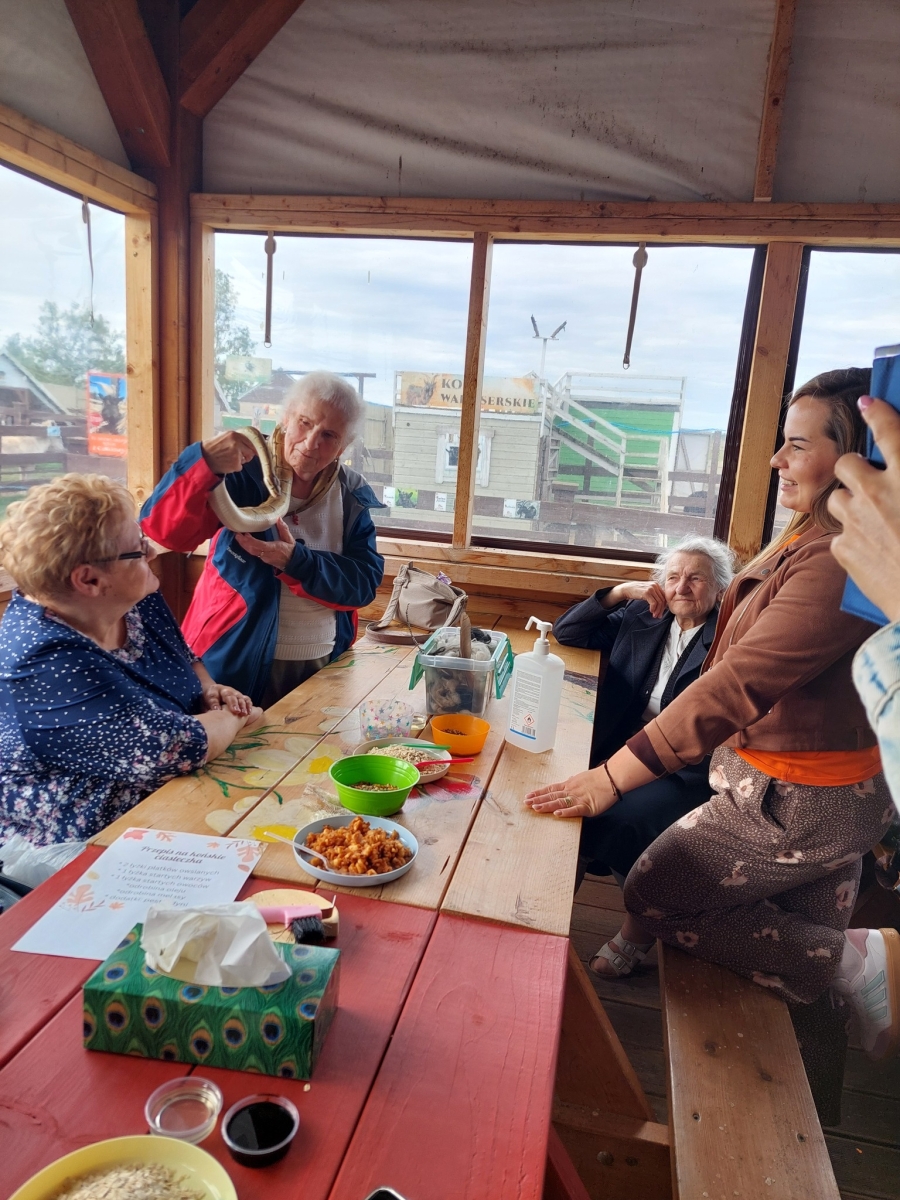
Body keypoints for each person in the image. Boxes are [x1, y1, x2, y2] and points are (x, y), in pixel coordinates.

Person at [527, 368, 899, 1111]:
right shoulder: (810, 538)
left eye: (798, 445)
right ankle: (809, 1115)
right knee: (795, 979)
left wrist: (609, 777)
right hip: (806, 788)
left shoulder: (837, 558)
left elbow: (738, 683)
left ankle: (860, 961)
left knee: (654, 891)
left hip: (794, 799)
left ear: (857, 455)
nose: (778, 459)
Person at [0, 474, 261, 851]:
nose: (151, 552)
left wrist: (209, 689)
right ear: (89, 580)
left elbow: (186, 658)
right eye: (138, 549)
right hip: (86, 846)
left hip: (176, 800)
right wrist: (236, 716)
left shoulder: (134, 597)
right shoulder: (42, 659)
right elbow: (172, 748)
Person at [141, 372, 384, 708]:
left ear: (343, 447)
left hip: (321, 664)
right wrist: (201, 462)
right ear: (285, 419)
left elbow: (363, 585)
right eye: (304, 423)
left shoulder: (351, 492)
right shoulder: (241, 469)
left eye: (328, 435)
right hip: (232, 659)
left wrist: (295, 561)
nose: (310, 443)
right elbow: (165, 532)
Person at [553, 537, 733, 972]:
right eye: (672, 577)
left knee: (618, 820)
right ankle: (550, 922)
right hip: (618, 749)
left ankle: (637, 934)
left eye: (695, 579)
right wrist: (618, 593)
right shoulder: (642, 616)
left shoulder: (728, 636)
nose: (681, 588)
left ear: (719, 589)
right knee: (564, 809)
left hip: (684, 768)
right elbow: (567, 632)